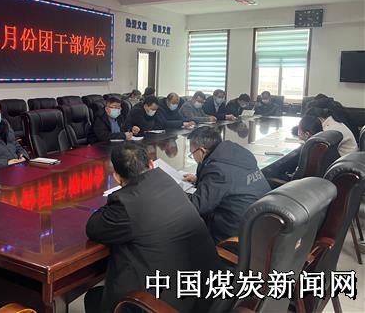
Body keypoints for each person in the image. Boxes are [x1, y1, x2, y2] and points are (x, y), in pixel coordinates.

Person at [85, 143, 220, 313]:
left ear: (117, 178)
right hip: (208, 296)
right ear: (151, 164)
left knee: (93, 298)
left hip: (169, 304)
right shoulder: (169, 183)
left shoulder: (126, 204)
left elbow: (93, 227)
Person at [183, 127, 271, 243]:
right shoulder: (236, 153)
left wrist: (173, 190)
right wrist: (198, 179)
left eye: (192, 153)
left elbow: (197, 205)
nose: (193, 157)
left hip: (236, 234)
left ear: (202, 151)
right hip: (262, 222)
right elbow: (232, 178)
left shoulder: (217, 170)